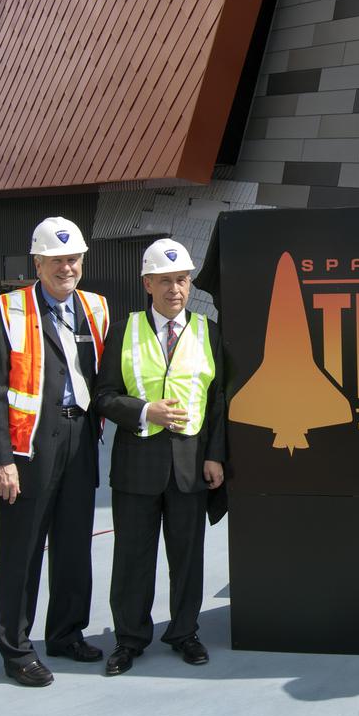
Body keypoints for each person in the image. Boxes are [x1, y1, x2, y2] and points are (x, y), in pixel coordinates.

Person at [0, 217, 110, 685]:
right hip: (28, 445)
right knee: (22, 549)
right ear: (38, 262)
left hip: (80, 438)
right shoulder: (6, 310)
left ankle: (67, 633)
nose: (67, 267)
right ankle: (16, 649)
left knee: (74, 543)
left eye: (74, 259)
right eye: (57, 260)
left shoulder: (96, 308)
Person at [95, 238, 227, 676]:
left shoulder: (207, 329)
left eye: (183, 280)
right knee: (133, 558)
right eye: (166, 281)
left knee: (187, 558)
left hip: (190, 465)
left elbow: (218, 400)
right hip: (137, 465)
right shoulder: (124, 329)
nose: (176, 289)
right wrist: (144, 410)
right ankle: (129, 638)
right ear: (147, 283)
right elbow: (105, 396)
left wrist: (215, 456)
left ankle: (184, 633)